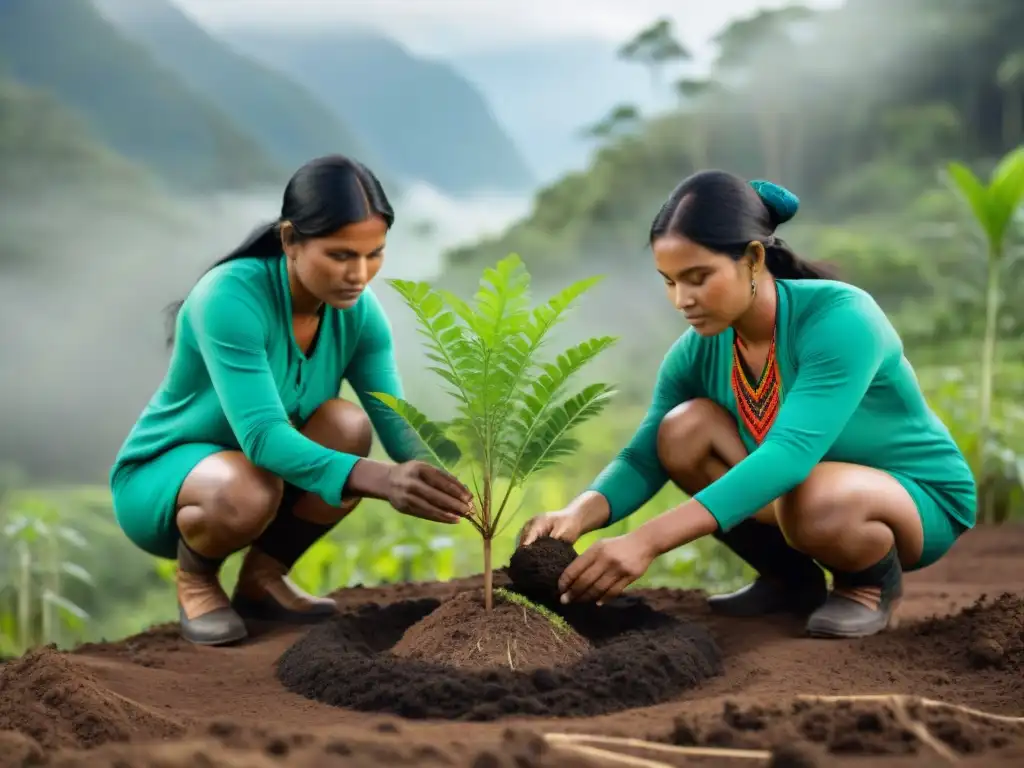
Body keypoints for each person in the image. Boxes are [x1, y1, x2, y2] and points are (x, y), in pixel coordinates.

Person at [518, 169, 976, 639]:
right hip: (804, 497)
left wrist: (646, 542)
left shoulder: (841, 319)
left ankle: (866, 586)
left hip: (915, 499)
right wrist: (577, 513)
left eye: (698, 278)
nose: (682, 299)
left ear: (754, 259)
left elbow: (788, 457)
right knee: (680, 430)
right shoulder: (698, 349)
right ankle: (790, 580)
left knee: (807, 494)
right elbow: (644, 455)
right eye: (670, 281)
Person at [110, 155, 473, 647]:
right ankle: (196, 580)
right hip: (173, 479)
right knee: (246, 489)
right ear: (290, 241)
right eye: (341, 255)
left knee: (349, 426)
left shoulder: (360, 315)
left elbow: (396, 421)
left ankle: (263, 579)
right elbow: (262, 438)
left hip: (261, 475)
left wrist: (456, 482)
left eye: (374, 254)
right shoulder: (229, 298)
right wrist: (385, 480)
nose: (359, 274)